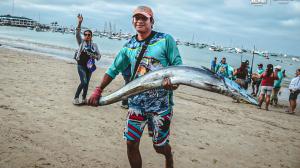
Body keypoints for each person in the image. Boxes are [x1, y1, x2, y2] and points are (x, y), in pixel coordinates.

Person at [88, 6, 182, 168]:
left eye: (143, 18)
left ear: (151, 21)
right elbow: (113, 70)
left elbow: (178, 67)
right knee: (131, 143)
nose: (139, 21)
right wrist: (99, 89)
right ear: (132, 21)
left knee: (159, 147)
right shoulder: (129, 46)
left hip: (161, 106)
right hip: (136, 104)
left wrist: (173, 84)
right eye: (136, 18)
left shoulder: (165, 40)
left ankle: (168, 156)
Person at [73, 14, 101, 105]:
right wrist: (79, 23)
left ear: (91, 36)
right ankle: (76, 98)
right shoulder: (81, 42)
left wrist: (95, 56)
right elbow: (77, 34)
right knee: (83, 82)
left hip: (90, 66)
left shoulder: (94, 45)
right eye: (85, 34)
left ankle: (84, 98)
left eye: (89, 35)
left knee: (87, 83)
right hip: (81, 65)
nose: (87, 36)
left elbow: (99, 56)